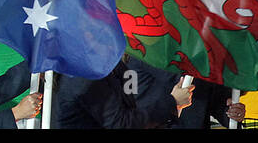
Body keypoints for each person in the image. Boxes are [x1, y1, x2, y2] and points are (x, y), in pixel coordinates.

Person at [55, 54, 192, 129]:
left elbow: (129, 101)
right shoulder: (83, 77)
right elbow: (120, 124)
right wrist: (172, 102)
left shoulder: (114, 65)